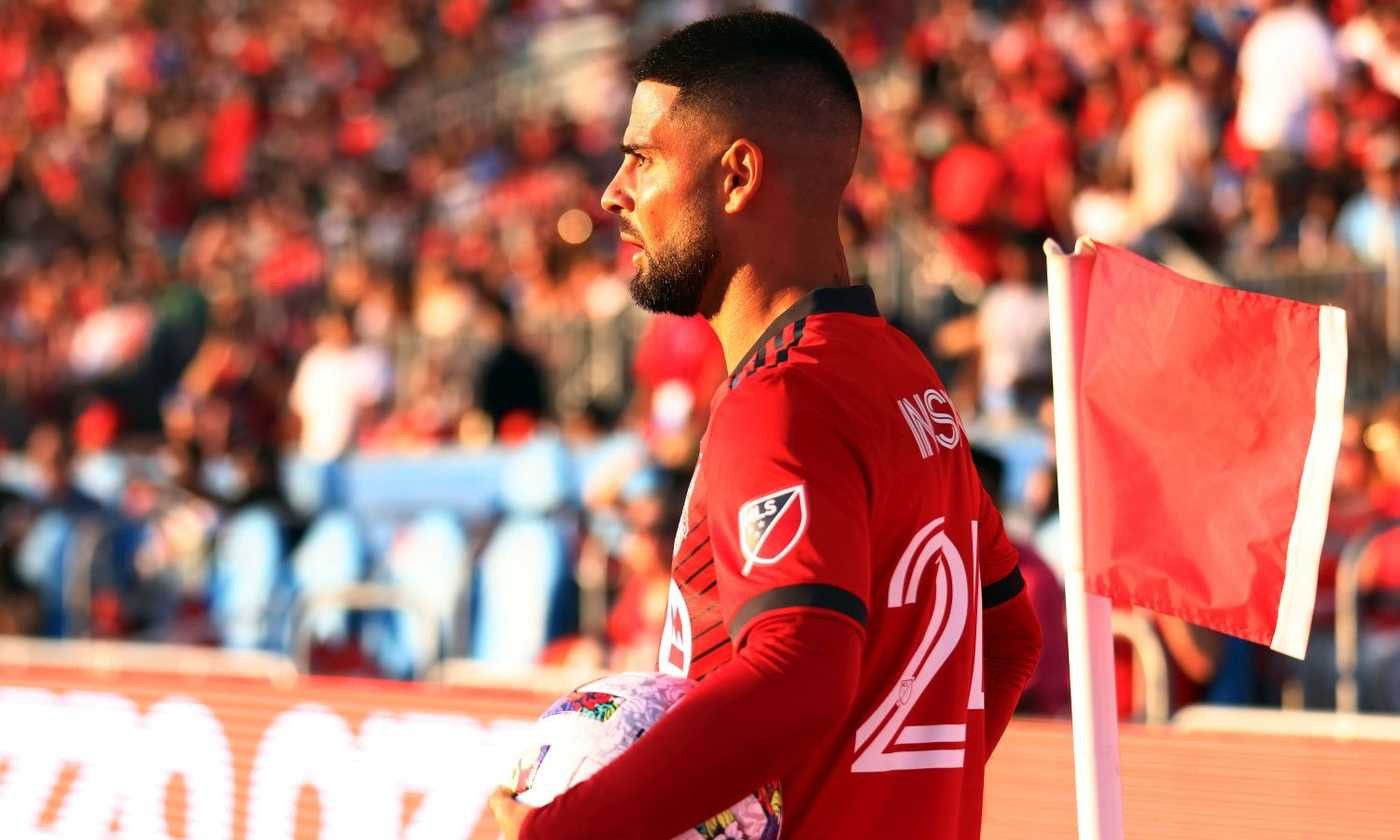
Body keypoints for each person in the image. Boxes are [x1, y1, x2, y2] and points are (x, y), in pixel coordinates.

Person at [487, 12, 1042, 839]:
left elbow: (798, 674)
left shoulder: (779, 399)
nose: (614, 192)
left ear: (738, 176)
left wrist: (556, 832)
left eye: (642, 157)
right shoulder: (901, 372)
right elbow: (1010, 636)